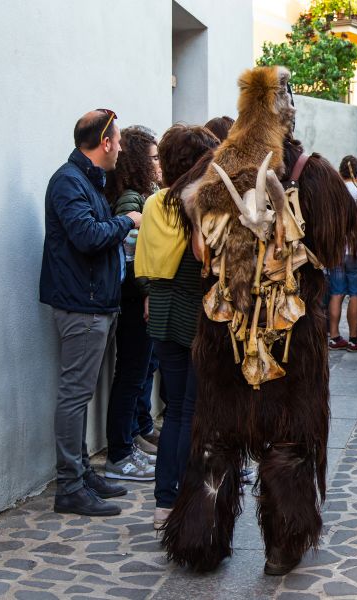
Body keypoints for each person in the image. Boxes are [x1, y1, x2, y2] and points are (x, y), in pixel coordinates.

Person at [161, 66, 357, 575]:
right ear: (287, 112)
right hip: (292, 342)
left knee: (215, 438)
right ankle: (283, 545)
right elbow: (334, 249)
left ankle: (200, 541)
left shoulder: (211, 165)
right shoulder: (313, 172)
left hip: (222, 332)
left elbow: (174, 205)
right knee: (290, 439)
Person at [39, 109, 141, 516]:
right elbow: (86, 236)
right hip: (82, 306)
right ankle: (69, 486)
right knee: (74, 395)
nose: (119, 148)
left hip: (96, 303)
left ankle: (81, 471)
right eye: (117, 140)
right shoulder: (69, 181)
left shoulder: (87, 181)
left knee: (78, 395)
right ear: (104, 142)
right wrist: (126, 220)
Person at [135, 124, 221, 529]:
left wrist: (151, 290)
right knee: (190, 410)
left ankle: (162, 501)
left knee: (171, 414)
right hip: (193, 312)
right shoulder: (197, 203)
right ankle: (185, 497)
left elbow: (147, 258)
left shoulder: (154, 202)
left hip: (162, 310)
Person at [102, 126, 161, 481]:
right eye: (153, 157)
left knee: (137, 373)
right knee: (131, 374)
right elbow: (133, 256)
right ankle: (120, 452)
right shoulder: (130, 199)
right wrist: (147, 292)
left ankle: (129, 444)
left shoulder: (140, 195)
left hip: (138, 297)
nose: (158, 163)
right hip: (135, 299)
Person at [328, 155, 357, 352]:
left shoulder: (332, 191)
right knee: (355, 294)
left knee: (336, 293)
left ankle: (335, 336)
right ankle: (354, 339)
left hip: (336, 249)